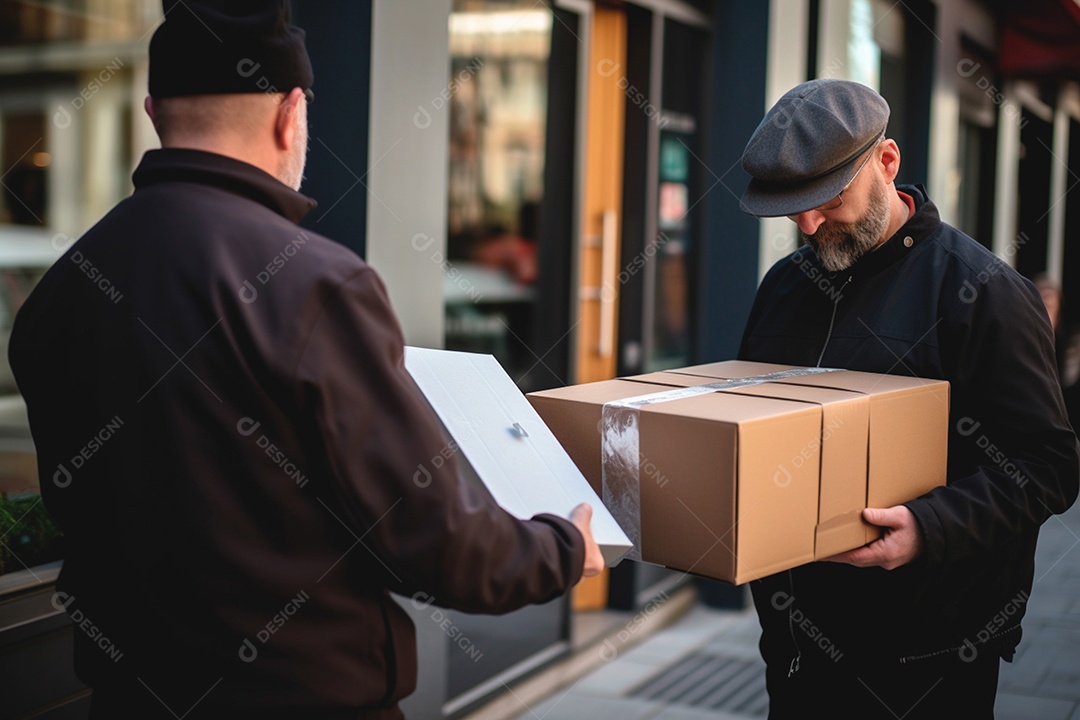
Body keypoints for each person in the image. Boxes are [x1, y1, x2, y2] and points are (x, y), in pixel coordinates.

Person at [8, 2, 603, 718]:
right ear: (291, 114)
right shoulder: (316, 282)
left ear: (152, 110)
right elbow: (430, 538)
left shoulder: (61, 290)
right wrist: (560, 547)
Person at [737, 78, 1079, 719]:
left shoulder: (983, 293)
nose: (808, 225)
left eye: (828, 199)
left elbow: (1048, 468)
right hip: (794, 646)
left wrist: (928, 526)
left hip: (927, 660)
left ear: (886, 163)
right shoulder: (784, 287)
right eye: (792, 206)